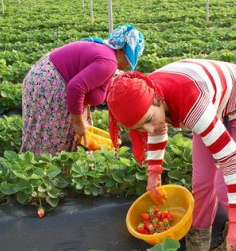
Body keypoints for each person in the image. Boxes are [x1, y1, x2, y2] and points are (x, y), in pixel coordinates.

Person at [106, 59, 236, 251]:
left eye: (148, 120)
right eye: (139, 128)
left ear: (157, 99)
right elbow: (157, 126)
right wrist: (153, 172)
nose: (147, 129)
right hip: (212, 105)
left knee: (225, 188)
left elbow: (233, 160)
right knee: (201, 184)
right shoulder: (147, 94)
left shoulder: (191, 105)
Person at [21, 24, 144, 155]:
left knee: (46, 132)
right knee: (51, 136)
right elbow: (75, 88)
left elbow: (92, 90)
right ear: (127, 53)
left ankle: (48, 167)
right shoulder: (109, 62)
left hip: (41, 79)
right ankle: (42, 168)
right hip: (50, 84)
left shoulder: (105, 52)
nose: (127, 66)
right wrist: (78, 123)